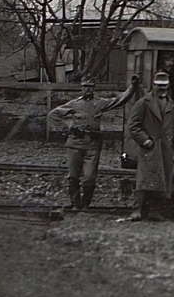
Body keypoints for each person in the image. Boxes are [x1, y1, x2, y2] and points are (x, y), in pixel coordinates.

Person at [48, 76, 137, 211]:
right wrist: (67, 129)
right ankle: (75, 204)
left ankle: (85, 205)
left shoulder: (100, 103)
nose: (88, 89)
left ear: (94, 88)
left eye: (90, 87)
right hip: (75, 144)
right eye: (85, 86)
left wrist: (133, 87)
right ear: (82, 88)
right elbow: (53, 115)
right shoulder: (74, 104)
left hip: (92, 145)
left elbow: (120, 100)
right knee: (73, 176)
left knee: (90, 176)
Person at [126, 71, 174, 221]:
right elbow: (133, 125)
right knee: (145, 179)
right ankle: (137, 210)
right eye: (159, 87)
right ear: (153, 86)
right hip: (150, 147)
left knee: (163, 180)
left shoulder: (170, 105)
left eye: (164, 87)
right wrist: (144, 140)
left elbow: (172, 128)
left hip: (166, 148)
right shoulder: (143, 103)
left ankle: (155, 211)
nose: (162, 90)